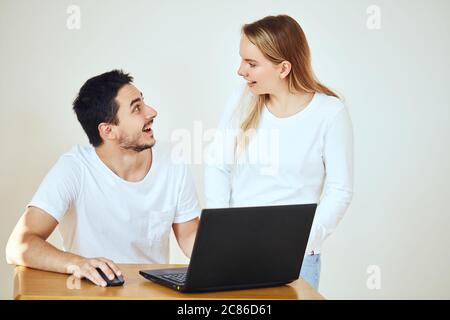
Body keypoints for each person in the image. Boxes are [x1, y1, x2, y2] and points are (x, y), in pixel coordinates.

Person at [6, 70, 200, 287]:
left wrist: (226, 258)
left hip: (151, 292)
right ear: (108, 131)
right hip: (94, 291)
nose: (152, 112)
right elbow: (19, 245)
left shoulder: (172, 161)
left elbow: (188, 234)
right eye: (137, 108)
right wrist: (77, 263)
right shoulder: (74, 168)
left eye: (144, 102)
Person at [204, 15, 354, 290]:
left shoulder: (330, 113)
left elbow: (339, 189)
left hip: (295, 258)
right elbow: (218, 165)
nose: (240, 70)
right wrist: (221, 233)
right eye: (242, 60)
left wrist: (304, 240)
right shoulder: (242, 98)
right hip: (237, 250)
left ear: (283, 68)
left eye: (251, 63)